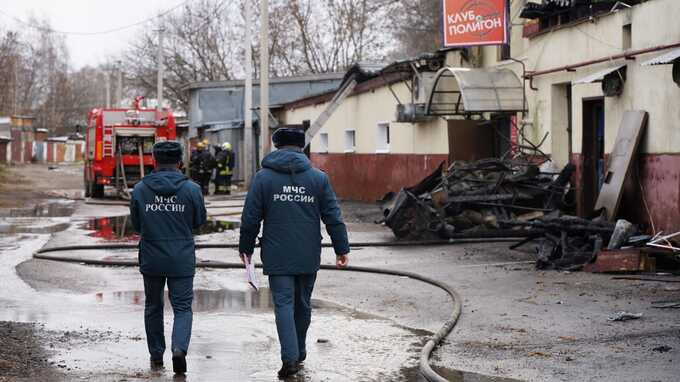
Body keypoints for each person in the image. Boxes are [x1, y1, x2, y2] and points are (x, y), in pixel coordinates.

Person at [239, 128, 350, 379]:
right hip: (308, 253)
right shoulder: (318, 178)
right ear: (302, 147)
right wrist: (341, 248)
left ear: (276, 146)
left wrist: (245, 249)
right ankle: (298, 353)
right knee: (302, 303)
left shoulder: (263, 178)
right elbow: (333, 216)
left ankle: (290, 358)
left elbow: (250, 219)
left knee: (284, 304)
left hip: (277, 254)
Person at [130, 141, 207, 375]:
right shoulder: (192, 189)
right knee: (183, 307)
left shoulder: (140, 189)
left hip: (152, 256)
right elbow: (199, 221)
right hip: (181, 257)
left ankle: (156, 354)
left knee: (153, 306)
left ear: (154, 160)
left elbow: (136, 225)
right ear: (180, 162)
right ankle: (179, 349)